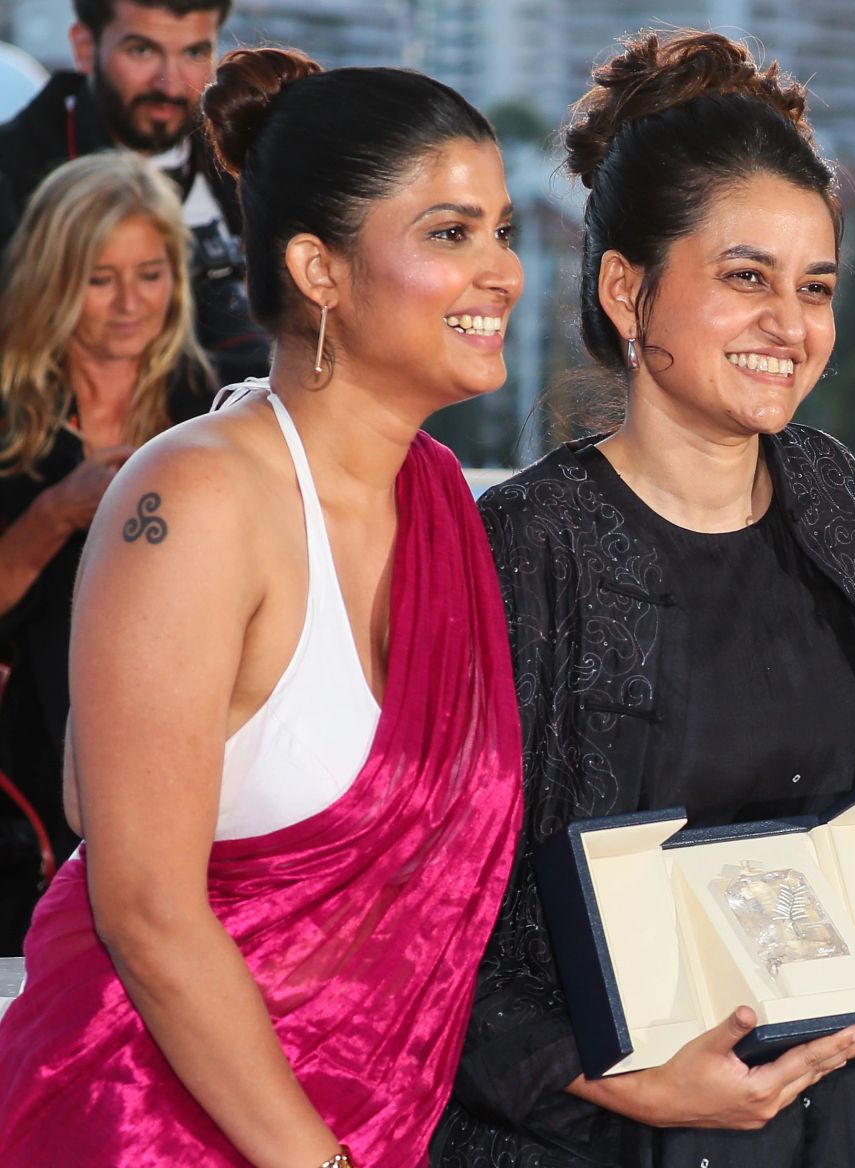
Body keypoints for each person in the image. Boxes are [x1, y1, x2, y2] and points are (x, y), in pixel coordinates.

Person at [431, 30, 855, 1168]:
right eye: (744, 278)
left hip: (838, 1124)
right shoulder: (524, 543)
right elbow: (422, 922)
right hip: (607, 1135)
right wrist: (613, 1077)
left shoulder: (823, 489)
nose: (790, 323)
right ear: (627, 287)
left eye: (813, 287)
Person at [0, 46, 525, 1167]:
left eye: (502, 229)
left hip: (370, 1128)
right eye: (449, 232)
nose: (502, 272)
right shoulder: (193, 499)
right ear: (318, 268)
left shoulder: (437, 498)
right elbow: (142, 906)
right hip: (144, 1124)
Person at [0, 150, 212, 952]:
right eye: (100, 278)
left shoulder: (215, 405)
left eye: (150, 273)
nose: (131, 304)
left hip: (180, 770)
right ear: (54, 278)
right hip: (26, 789)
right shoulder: (9, 412)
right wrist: (57, 510)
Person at [0, 0, 266, 382]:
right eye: (141, 51)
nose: (170, 84)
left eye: (194, 52)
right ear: (85, 48)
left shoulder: (252, 161)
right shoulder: (12, 178)